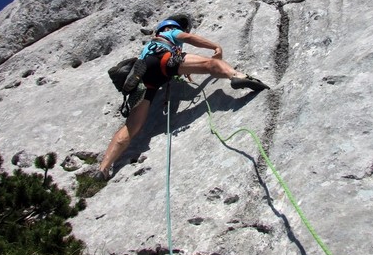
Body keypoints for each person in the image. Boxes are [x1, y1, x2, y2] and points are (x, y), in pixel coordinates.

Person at [95, 14, 269, 180]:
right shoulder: (170, 31)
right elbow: (189, 38)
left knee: (132, 126)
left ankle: (103, 169)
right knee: (211, 63)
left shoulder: (148, 46)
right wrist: (216, 47)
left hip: (147, 75)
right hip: (164, 59)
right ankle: (237, 76)